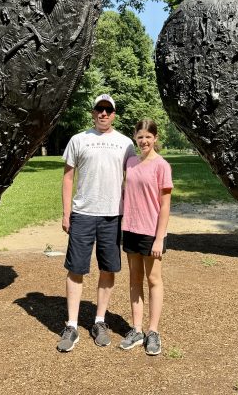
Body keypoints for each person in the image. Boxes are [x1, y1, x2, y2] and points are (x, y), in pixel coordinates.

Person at [56, 94, 135, 352]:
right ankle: (72, 325)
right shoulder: (79, 140)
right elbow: (68, 178)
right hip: (82, 214)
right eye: (99, 109)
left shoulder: (125, 144)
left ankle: (99, 321)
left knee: (108, 269)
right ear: (93, 113)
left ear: (114, 114)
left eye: (108, 110)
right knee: (76, 268)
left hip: (112, 215)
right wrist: (67, 213)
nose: (103, 114)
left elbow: (134, 181)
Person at [118, 119, 173, 355]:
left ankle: (153, 332)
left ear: (155, 138)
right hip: (130, 228)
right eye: (140, 136)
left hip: (151, 232)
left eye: (148, 137)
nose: (144, 141)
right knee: (134, 280)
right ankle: (137, 329)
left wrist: (159, 238)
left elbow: (165, 205)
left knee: (154, 280)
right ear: (135, 137)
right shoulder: (130, 162)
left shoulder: (162, 166)